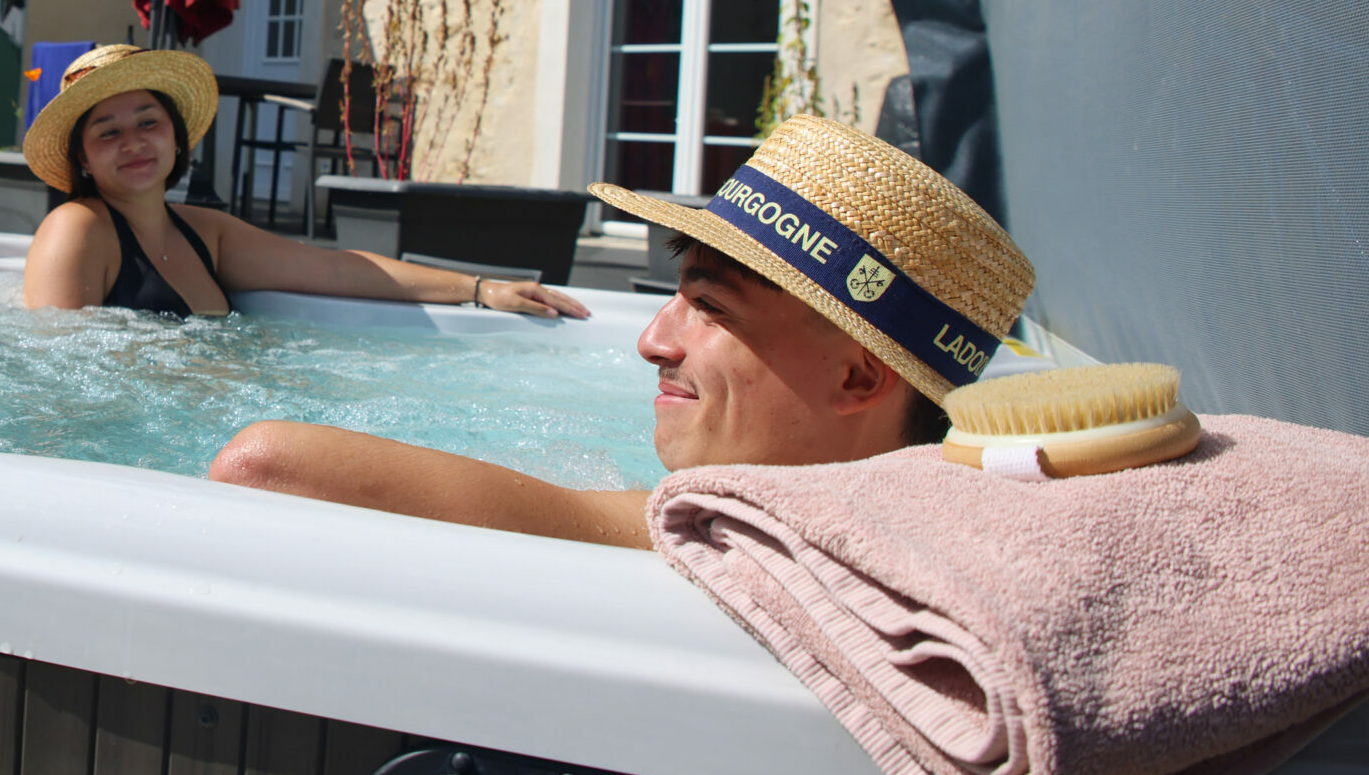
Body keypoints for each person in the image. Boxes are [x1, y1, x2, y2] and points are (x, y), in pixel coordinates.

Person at [207, 114, 1036, 549]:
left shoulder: (740, 533)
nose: (651, 340)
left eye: (710, 306)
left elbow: (265, 464)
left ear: (860, 379)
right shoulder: (925, 500)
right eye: (676, 297)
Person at [19, 44, 588, 320]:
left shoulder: (204, 231)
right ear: (84, 160)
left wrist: (480, 288)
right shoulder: (77, 229)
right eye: (108, 132)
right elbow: (59, 368)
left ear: (175, 136)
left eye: (149, 122)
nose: (135, 142)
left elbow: (337, 268)